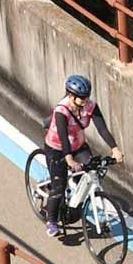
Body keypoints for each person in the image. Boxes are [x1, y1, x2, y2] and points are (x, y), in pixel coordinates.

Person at [42, 73, 114, 238]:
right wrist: (68, 159)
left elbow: (102, 129)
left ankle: (76, 195)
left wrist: (114, 149)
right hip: (58, 148)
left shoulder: (90, 105)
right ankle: (51, 219)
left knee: (92, 171)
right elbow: (62, 136)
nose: (85, 100)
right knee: (58, 188)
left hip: (79, 145)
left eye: (87, 97)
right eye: (81, 98)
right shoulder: (61, 111)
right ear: (71, 96)